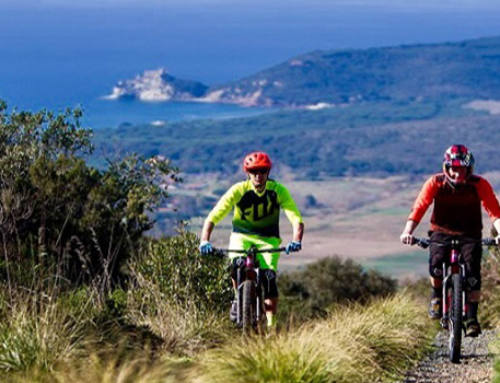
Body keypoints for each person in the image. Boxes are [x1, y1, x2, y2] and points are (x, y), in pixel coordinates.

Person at [400, 144, 500, 337]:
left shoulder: (479, 184)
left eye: (462, 169)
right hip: (441, 231)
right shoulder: (435, 183)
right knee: (436, 264)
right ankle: (436, 296)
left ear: (469, 168)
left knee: (472, 272)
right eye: (453, 168)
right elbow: (419, 207)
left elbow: (495, 212)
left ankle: (472, 317)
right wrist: (407, 231)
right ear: (446, 167)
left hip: (470, 233)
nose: (457, 174)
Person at [199, 151, 304, 329]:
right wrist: (204, 240)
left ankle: (271, 325)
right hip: (242, 236)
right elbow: (214, 216)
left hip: (268, 239)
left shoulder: (278, 191)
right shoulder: (239, 190)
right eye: (254, 171)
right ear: (248, 173)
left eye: (262, 171)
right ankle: (237, 298)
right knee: (237, 266)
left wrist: (296, 240)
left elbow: (295, 218)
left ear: (268, 173)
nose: (258, 176)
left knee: (269, 278)